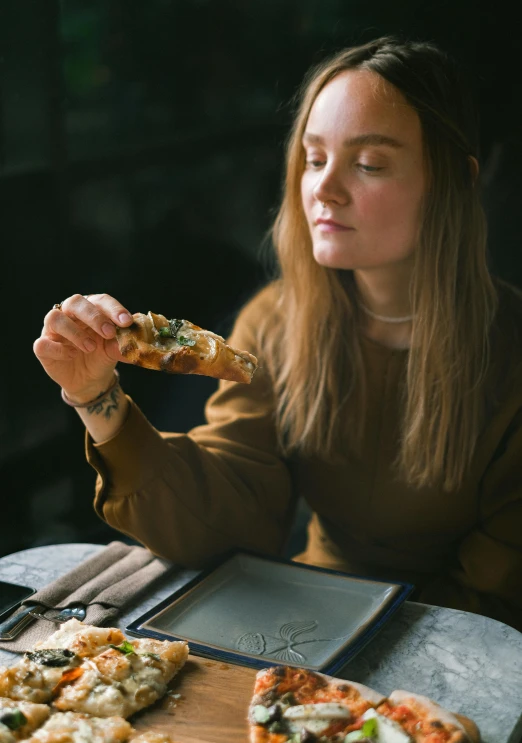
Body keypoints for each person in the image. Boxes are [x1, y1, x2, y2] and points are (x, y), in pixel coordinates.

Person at [34, 36, 522, 632]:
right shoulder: (277, 320)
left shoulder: (510, 354)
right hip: (309, 620)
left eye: (368, 164)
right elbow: (232, 516)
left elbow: (498, 597)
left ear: (456, 181)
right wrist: (97, 398)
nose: (325, 188)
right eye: (314, 159)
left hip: (451, 640)